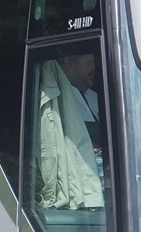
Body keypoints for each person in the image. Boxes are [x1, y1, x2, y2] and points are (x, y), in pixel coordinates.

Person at [35, 56, 104, 210]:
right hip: (79, 184)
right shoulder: (58, 99)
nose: (95, 68)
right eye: (90, 62)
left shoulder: (95, 97)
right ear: (69, 63)